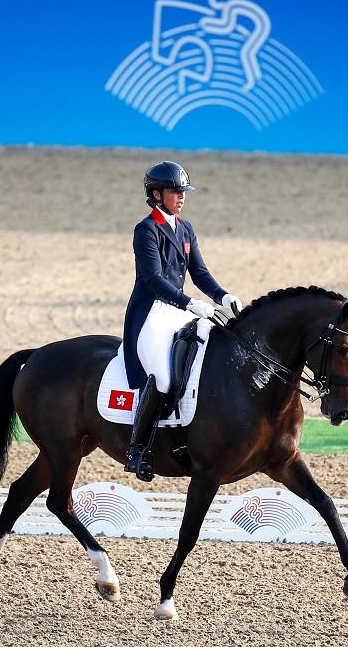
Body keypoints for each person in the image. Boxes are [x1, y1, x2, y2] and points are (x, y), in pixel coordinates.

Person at [122, 160, 243, 481]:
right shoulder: (146, 230)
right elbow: (153, 279)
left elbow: (199, 272)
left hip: (178, 311)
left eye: (183, 192)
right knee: (163, 379)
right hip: (151, 313)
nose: (181, 197)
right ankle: (137, 450)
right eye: (175, 192)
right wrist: (190, 303)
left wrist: (222, 296)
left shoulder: (186, 228)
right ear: (156, 194)